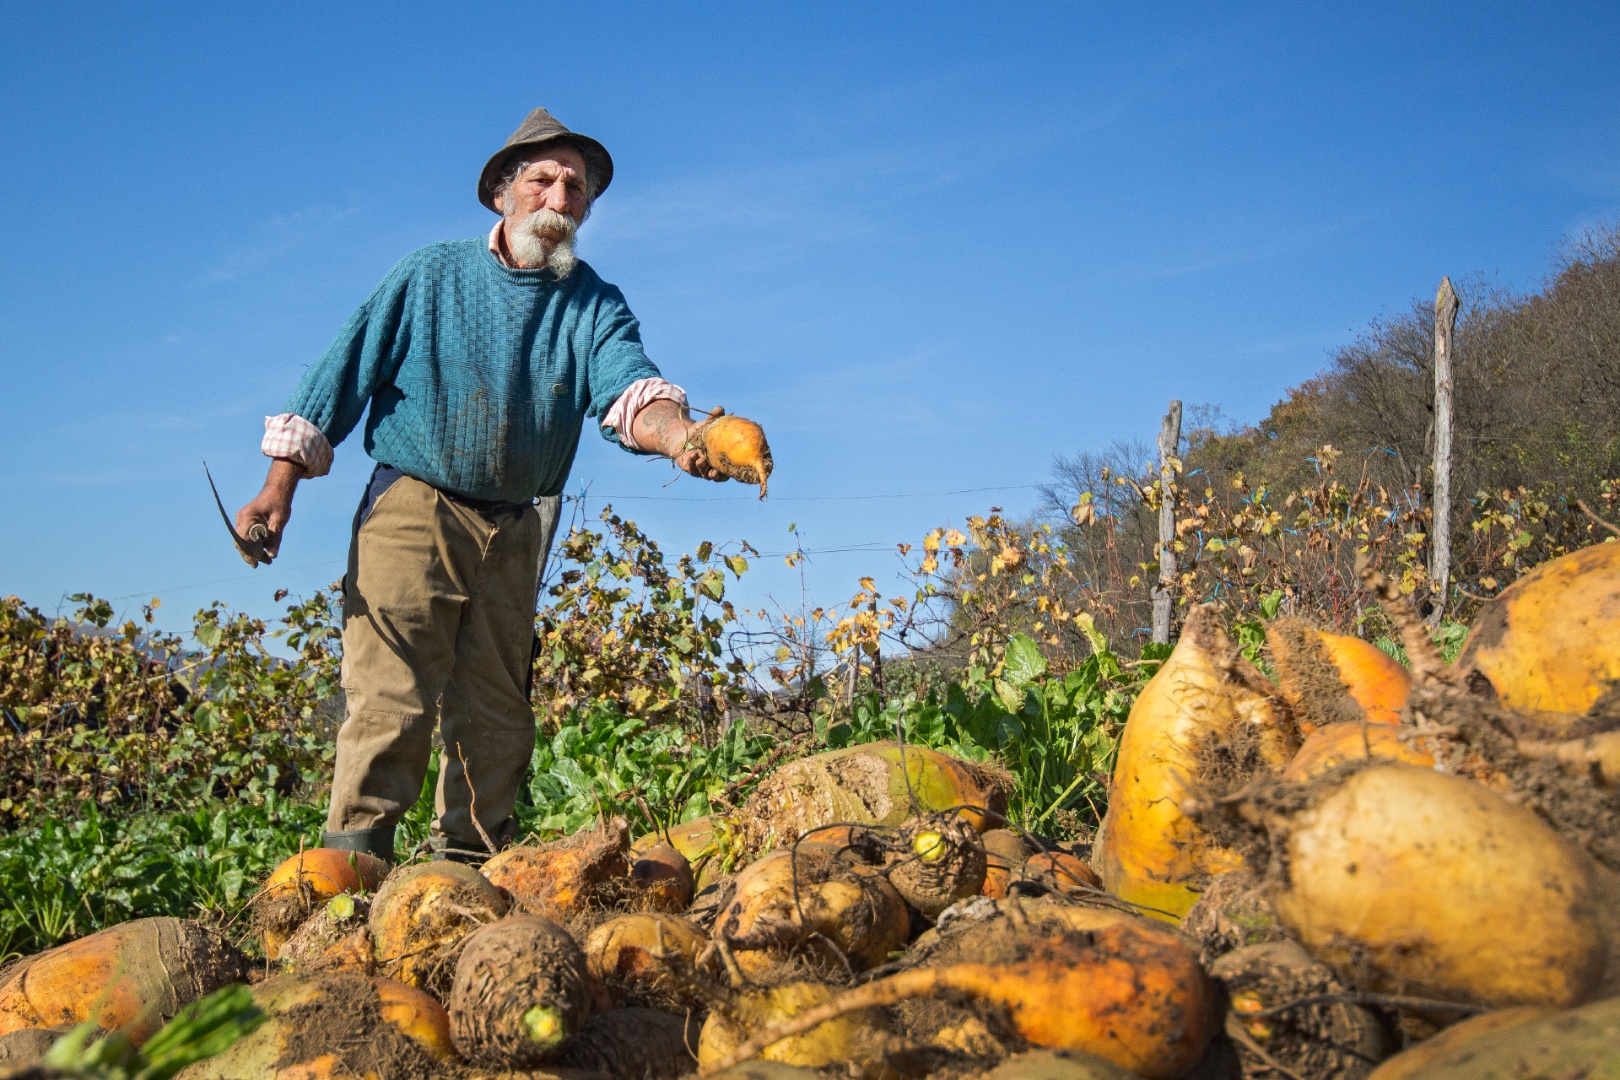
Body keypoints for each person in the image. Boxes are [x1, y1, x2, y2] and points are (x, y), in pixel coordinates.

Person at [235, 108, 723, 863]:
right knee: (390, 697)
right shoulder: (429, 277)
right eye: (543, 180)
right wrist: (278, 490)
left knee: (496, 709)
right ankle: (352, 874)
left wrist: (684, 438)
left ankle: (468, 871)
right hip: (414, 506)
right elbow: (338, 373)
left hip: (514, 525)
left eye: (577, 187)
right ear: (503, 192)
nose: (560, 198)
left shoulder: (593, 303)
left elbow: (632, 390)